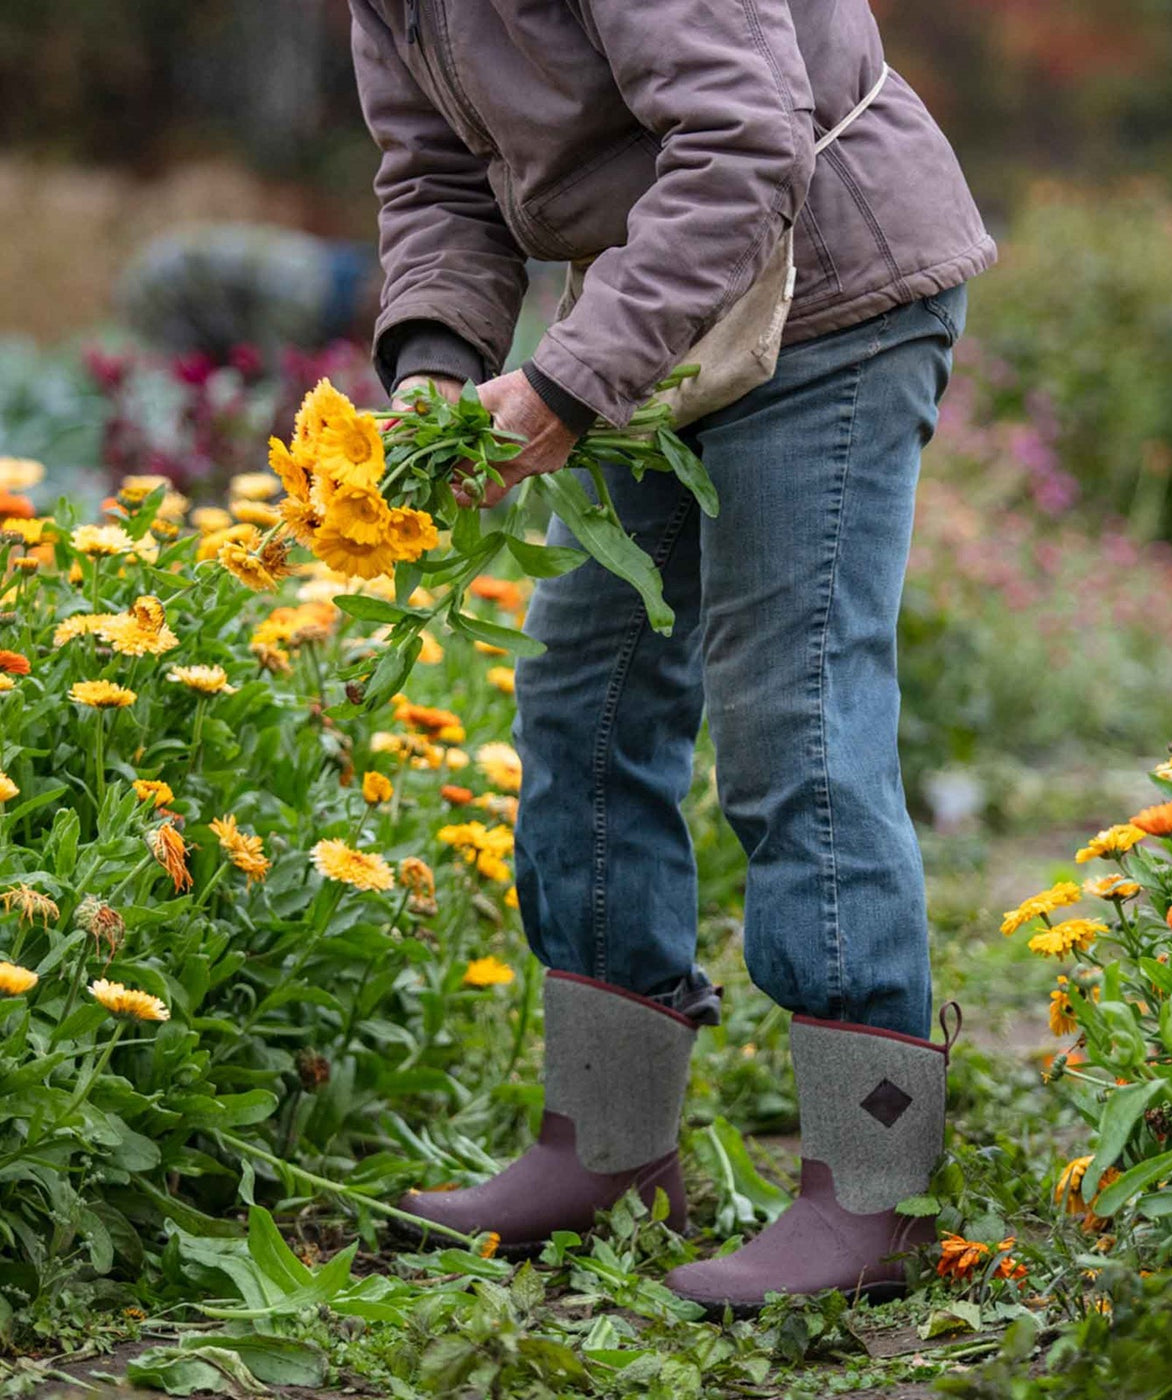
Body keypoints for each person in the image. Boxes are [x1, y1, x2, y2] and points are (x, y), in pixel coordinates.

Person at [351, 0, 994, 1313]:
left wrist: (565, 384)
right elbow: (433, 172)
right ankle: (607, 1143)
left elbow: (748, 143)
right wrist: (434, 362)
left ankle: (871, 1185)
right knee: (586, 701)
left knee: (794, 715)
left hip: (833, 291)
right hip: (666, 313)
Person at [118, 224, 382, 365]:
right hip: (160, 288)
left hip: (164, 269)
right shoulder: (305, 298)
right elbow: (277, 369)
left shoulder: (321, 265)